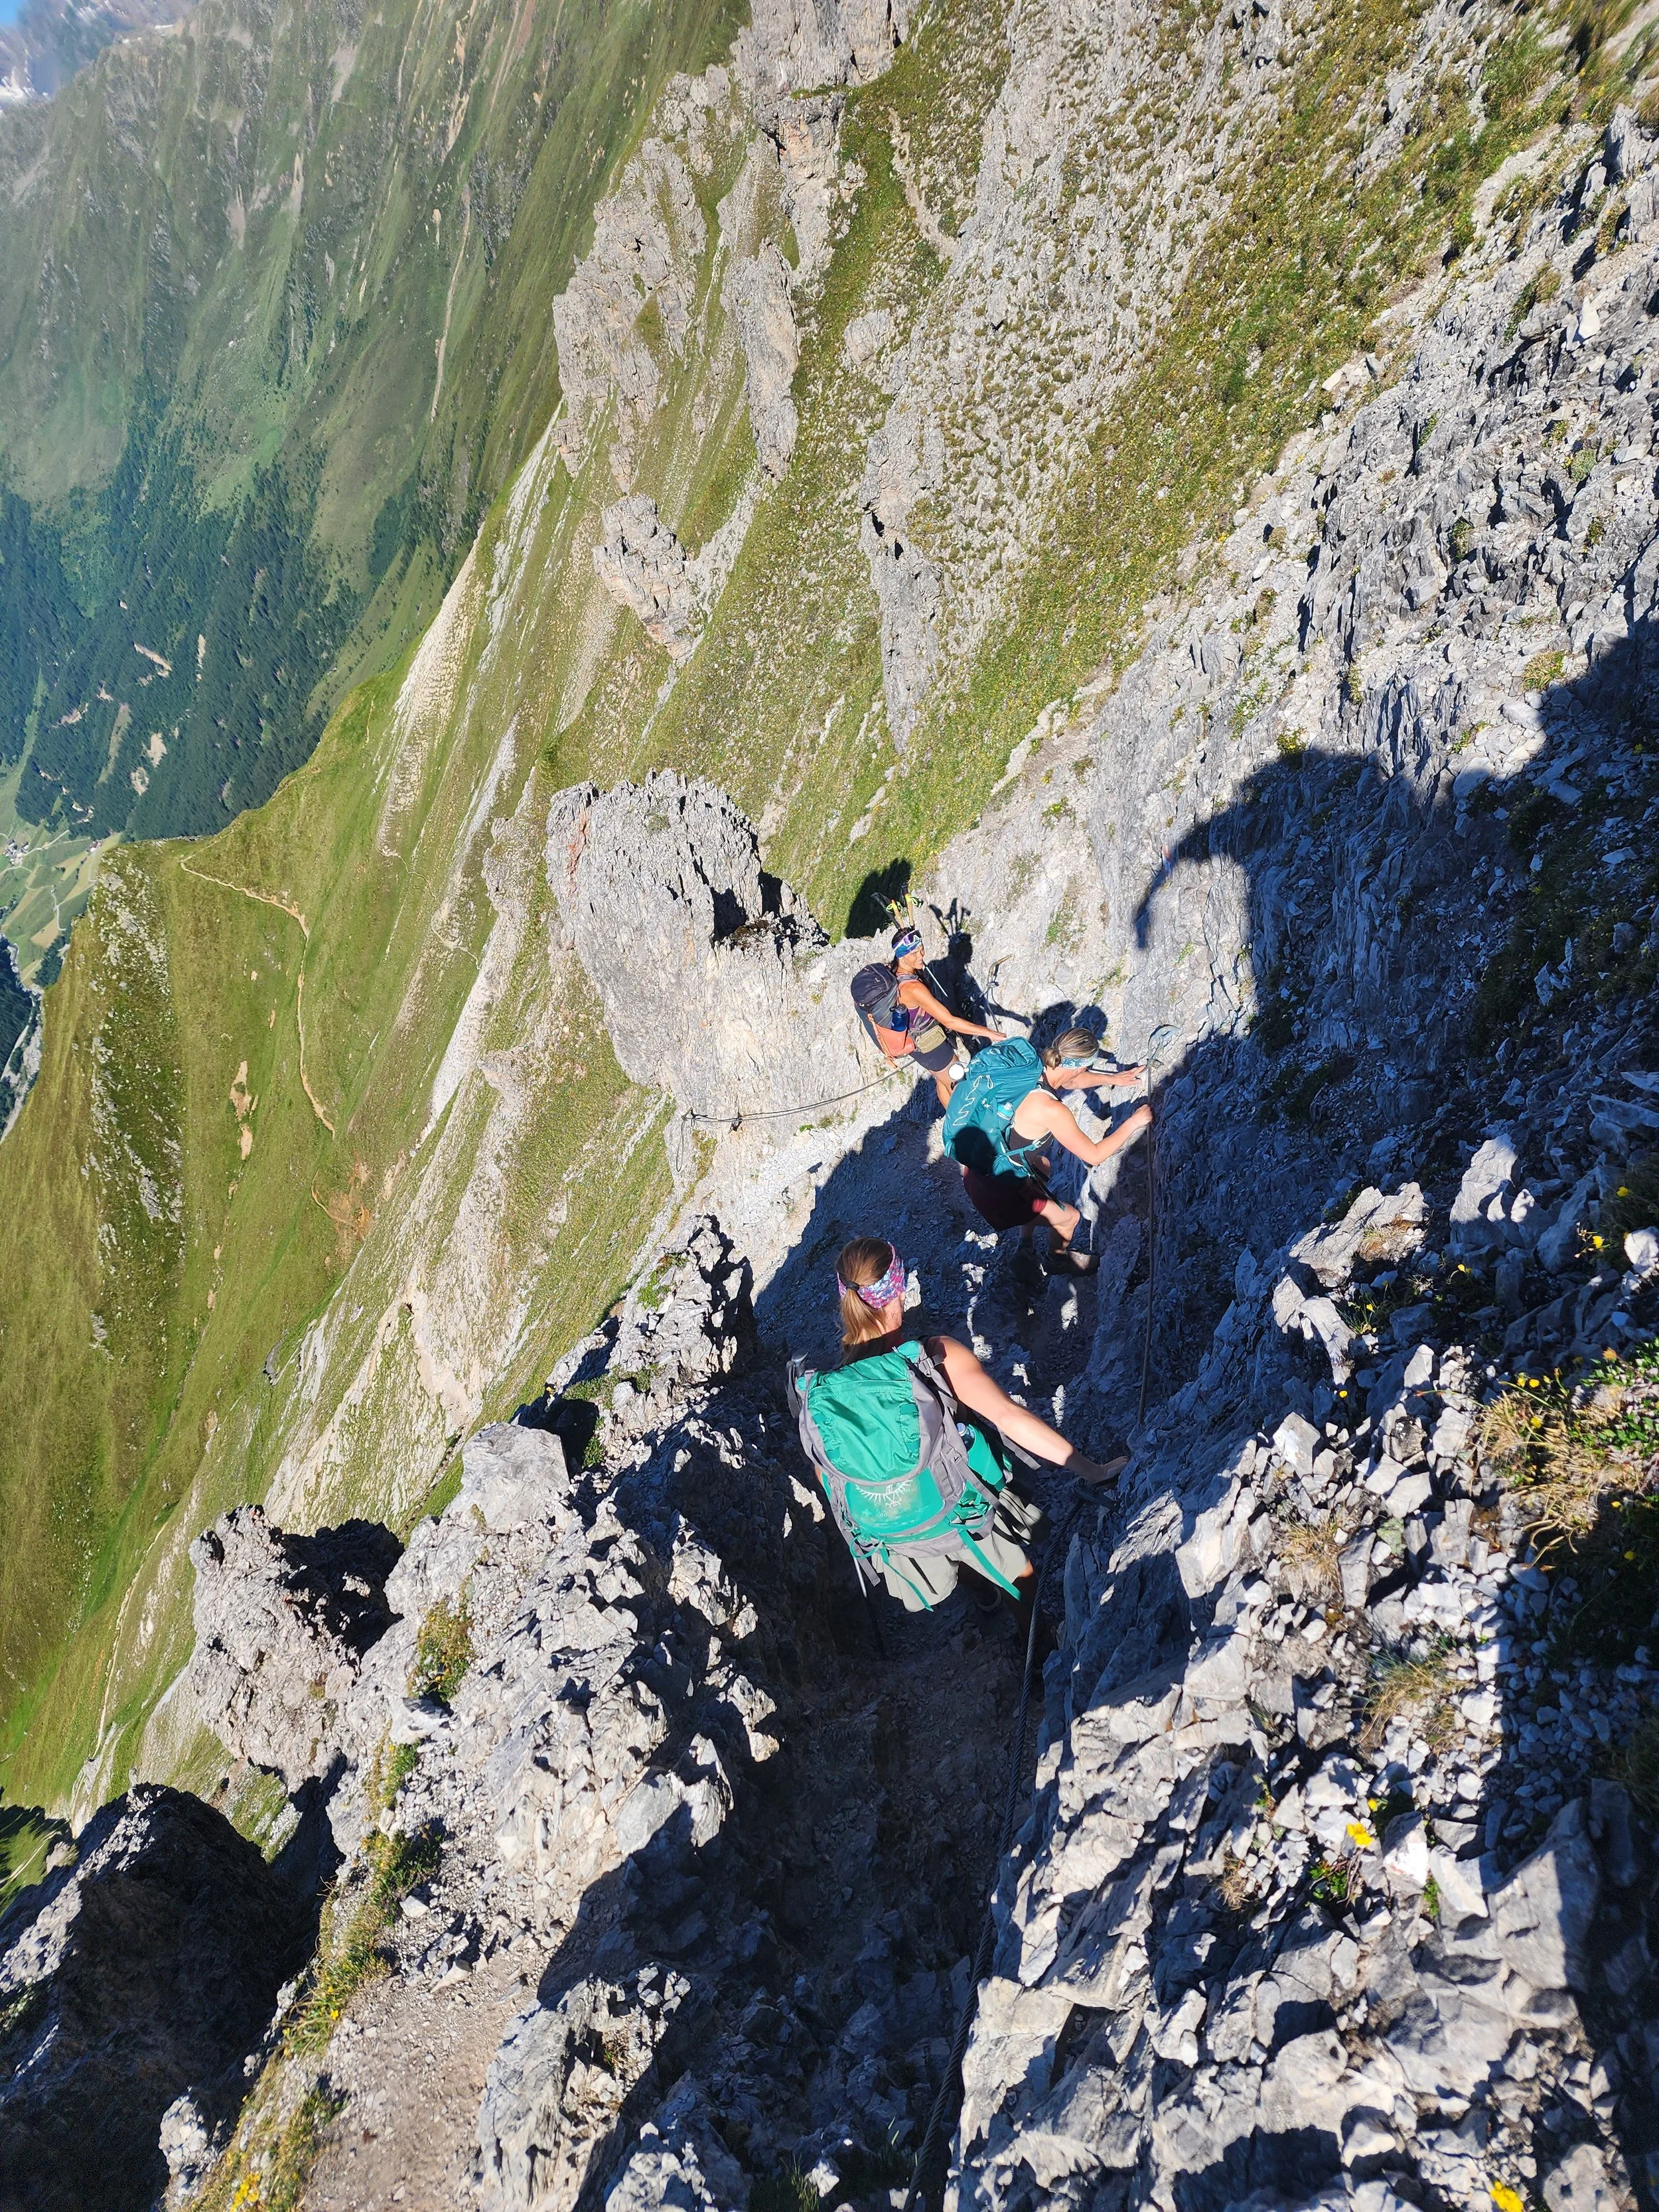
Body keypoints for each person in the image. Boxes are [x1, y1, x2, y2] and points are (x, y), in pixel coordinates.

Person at [788, 1237, 1126, 1647]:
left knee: (937, 1518)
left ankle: (980, 1593)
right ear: (896, 1290)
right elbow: (1009, 1417)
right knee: (1020, 1576)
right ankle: (1037, 1654)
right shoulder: (933, 1358)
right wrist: (1095, 1471)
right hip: (956, 1508)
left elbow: (830, 1480)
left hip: (894, 1531)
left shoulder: (819, 1397)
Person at [958, 1027, 1151, 1276]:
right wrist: (1134, 1122)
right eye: (1085, 1068)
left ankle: (1025, 1245)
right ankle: (1055, 1260)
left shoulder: (1033, 1067)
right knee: (1070, 1218)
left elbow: (1072, 1079)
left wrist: (1115, 1079)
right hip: (996, 1197)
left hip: (976, 1172)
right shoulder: (1051, 1110)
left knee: (1043, 1166)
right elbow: (1094, 1156)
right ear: (1078, 1066)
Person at [877, 926, 1003, 1107]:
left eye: (921, 950)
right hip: (931, 1045)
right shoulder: (913, 988)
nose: (921, 956)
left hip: (916, 1044)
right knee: (960, 1084)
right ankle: (967, 1130)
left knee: (942, 1080)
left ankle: (952, 1125)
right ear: (901, 956)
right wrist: (990, 1033)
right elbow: (949, 1020)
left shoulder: (893, 974)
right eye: (914, 954)